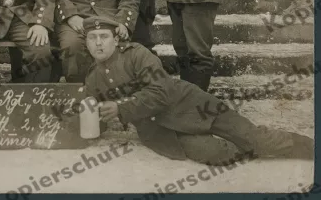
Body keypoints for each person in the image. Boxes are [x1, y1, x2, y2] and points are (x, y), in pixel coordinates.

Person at [82, 16, 313, 165]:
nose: (98, 43)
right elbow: (93, 117)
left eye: (104, 36)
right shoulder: (93, 78)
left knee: (256, 140)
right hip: (162, 130)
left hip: (193, 104)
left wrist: (121, 108)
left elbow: (161, 92)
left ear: (116, 39)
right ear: (86, 43)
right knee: (218, 154)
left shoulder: (137, 54)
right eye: (92, 38)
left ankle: (311, 148)